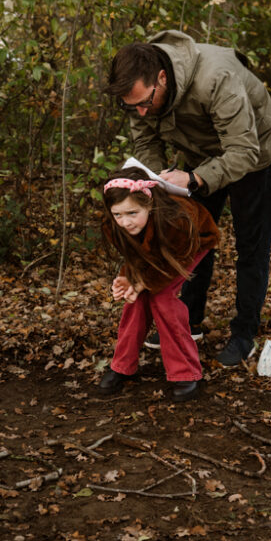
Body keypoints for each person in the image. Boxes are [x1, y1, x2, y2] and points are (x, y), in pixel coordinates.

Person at [105, 30, 271, 367]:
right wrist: (153, 182)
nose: (140, 112)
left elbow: (243, 150)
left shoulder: (217, 78)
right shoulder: (138, 92)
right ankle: (190, 319)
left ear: (162, 78)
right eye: (131, 106)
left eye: (144, 103)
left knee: (251, 245)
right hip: (198, 155)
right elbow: (146, 143)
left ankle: (244, 334)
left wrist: (196, 179)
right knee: (189, 235)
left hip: (251, 155)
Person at [98, 167, 220, 401]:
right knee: (136, 299)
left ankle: (186, 371)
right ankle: (123, 365)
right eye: (118, 214)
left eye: (132, 213)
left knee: (162, 297)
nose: (125, 222)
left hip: (191, 244)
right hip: (159, 250)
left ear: (149, 205)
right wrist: (128, 277)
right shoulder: (113, 225)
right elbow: (136, 255)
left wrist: (143, 281)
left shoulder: (177, 220)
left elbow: (174, 260)